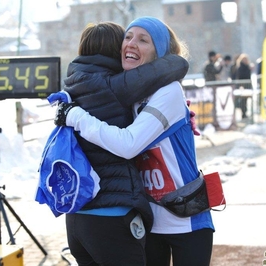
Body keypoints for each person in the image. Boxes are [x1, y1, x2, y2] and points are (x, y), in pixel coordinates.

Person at [55, 16, 214, 266]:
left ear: (158, 51)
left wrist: (75, 115)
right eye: (127, 37)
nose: (131, 43)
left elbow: (128, 144)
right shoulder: (129, 93)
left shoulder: (168, 91)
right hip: (149, 217)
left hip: (185, 216)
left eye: (143, 40)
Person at [234, 53, 252, 118]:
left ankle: (245, 112)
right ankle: (243, 113)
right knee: (243, 101)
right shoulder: (240, 67)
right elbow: (240, 76)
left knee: (246, 100)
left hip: (247, 85)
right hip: (243, 85)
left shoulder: (247, 66)